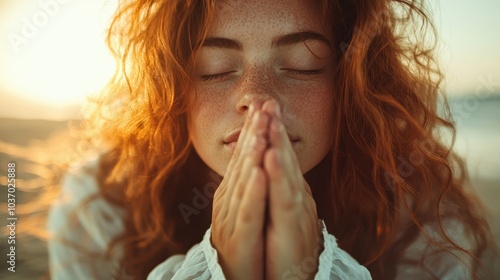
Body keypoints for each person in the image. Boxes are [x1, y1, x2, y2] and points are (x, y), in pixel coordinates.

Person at [47, 0, 493, 279]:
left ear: (353, 86)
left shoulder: (419, 209)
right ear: (171, 90)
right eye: (215, 69)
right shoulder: (100, 205)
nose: (258, 100)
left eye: (304, 64)